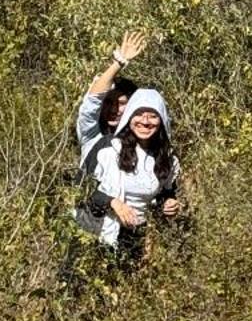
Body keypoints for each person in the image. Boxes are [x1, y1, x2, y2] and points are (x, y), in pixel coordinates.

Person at [75, 85, 183, 257]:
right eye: (139, 114)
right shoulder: (108, 148)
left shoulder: (167, 158)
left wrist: (169, 203)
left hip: (132, 239)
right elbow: (80, 190)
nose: (145, 121)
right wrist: (113, 202)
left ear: (162, 120)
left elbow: (166, 192)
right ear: (129, 117)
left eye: (153, 116)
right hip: (91, 235)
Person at [75, 31, 149, 162]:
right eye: (109, 102)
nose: (114, 109)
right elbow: (92, 101)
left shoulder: (142, 138)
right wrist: (119, 63)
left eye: (121, 103)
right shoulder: (91, 133)